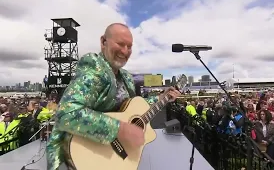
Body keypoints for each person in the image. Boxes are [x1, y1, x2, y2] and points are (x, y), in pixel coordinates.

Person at [46, 23, 181, 170]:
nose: (125, 51)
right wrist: (121, 130)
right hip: (80, 156)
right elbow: (66, 114)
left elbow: (129, 110)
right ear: (103, 42)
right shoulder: (94, 66)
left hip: (112, 157)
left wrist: (161, 99)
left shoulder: (126, 77)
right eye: (120, 44)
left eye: (129, 46)